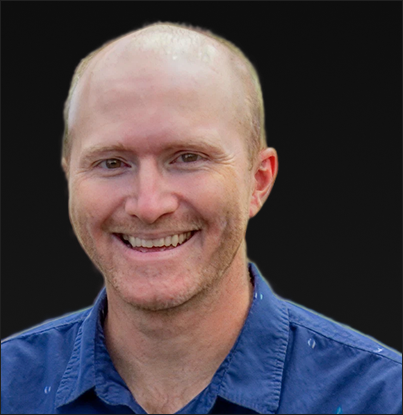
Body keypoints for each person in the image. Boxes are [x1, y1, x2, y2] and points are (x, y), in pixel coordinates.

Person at [1, 21, 401, 415]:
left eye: (188, 158)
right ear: (70, 178)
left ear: (258, 181)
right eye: (111, 163)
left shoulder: (381, 400)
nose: (149, 205)